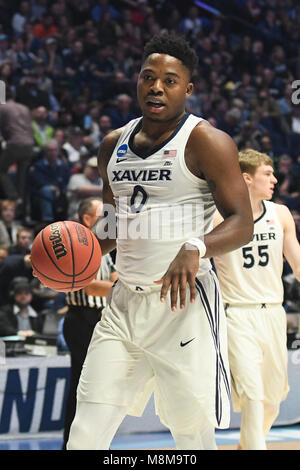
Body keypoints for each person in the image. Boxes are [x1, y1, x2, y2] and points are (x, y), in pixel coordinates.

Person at [67, 32, 253, 451]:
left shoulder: (207, 141)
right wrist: (75, 258)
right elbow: (114, 224)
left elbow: (242, 223)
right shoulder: (113, 145)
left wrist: (196, 246)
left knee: (191, 436)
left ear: (187, 89)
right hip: (123, 306)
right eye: (148, 77)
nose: (156, 87)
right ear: (137, 81)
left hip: (183, 307)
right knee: (84, 434)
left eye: (169, 80)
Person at [213, 148, 300, 450]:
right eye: (268, 173)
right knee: (252, 396)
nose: (275, 179)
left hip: (273, 314)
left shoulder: (281, 214)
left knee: (272, 402)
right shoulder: (216, 215)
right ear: (246, 178)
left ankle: (247, 445)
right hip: (236, 313)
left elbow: (298, 264)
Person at [62, 197, 117, 450]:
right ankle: (72, 443)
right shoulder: (78, 244)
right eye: (101, 214)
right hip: (82, 318)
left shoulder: (100, 245)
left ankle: (92, 442)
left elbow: (116, 275)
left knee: (97, 384)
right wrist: (125, 287)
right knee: (82, 386)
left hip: (97, 317)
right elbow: (92, 287)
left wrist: (121, 281)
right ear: (87, 219)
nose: (108, 220)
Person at [0, 89, 34, 216]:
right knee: (22, 176)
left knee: (1, 170)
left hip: (15, 143)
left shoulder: (3, 108)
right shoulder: (24, 108)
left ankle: (13, 197)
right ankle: (20, 202)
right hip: (29, 144)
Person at [66, 156, 103, 220]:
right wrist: (104, 189)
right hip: (78, 215)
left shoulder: (102, 180)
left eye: (98, 169)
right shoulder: (76, 177)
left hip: (99, 214)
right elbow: (81, 190)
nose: (96, 171)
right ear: (86, 167)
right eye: (93, 168)